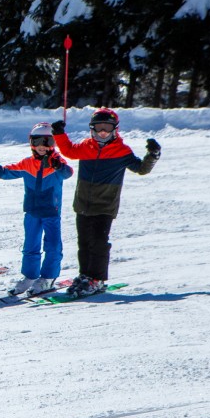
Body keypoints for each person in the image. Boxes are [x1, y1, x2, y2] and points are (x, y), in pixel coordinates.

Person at [52, 108, 160, 297]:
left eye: (107, 128)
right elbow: (68, 151)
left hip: (105, 206)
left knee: (99, 242)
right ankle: (85, 275)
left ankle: (97, 278)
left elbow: (141, 169)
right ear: (92, 129)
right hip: (83, 204)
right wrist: (59, 134)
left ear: (115, 129)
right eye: (99, 127)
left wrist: (153, 155)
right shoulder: (86, 146)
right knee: (84, 242)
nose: (103, 132)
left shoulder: (122, 151)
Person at [0, 123, 74, 296]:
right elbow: (5, 172)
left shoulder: (57, 162)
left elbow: (67, 173)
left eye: (47, 141)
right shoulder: (27, 163)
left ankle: (48, 277)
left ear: (53, 143)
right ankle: (30, 276)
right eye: (37, 141)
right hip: (32, 212)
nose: (42, 146)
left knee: (52, 245)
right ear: (31, 143)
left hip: (51, 212)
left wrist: (57, 165)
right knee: (30, 245)